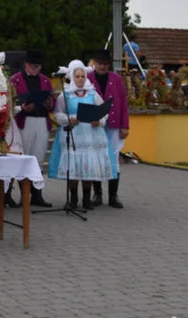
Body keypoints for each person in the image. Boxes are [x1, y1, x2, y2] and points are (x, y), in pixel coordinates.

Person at [50, 60, 116, 209]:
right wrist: (68, 120)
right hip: (73, 133)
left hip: (91, 134)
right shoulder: (65, 95)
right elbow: (57, 112)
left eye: (82, 76)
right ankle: (73, 199)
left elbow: (103, 111)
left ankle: (87, 198)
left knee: (88, 165)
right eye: (77, 76)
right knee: (73, 165)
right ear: (72, 77)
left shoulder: (93, 93)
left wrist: (99, 121)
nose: (80, 79)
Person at [7, 48, 54, 208]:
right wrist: (22, 107)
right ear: (26, 64)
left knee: (38, 158)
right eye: (34, 66)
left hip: (41, 119)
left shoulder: (45, 80)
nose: (37, 70)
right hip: (24, 121)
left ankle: (37, 194)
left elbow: (52, 98)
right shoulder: (15, 80)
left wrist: (50, 104)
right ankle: (24, 195)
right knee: (24, 158)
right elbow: (10, 102)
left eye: (39, 67)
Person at [89, 49, 130, 207]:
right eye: (100, 63)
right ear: (95, 63)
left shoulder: (116, 79)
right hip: (96, 124)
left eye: (105, 64)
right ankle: (97, 194)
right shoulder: (88, 79)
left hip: (113, 124)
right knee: (95, 158)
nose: (102, 66)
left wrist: (125, 125)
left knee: (113, 157)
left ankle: (113, 196)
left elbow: (123, 103)